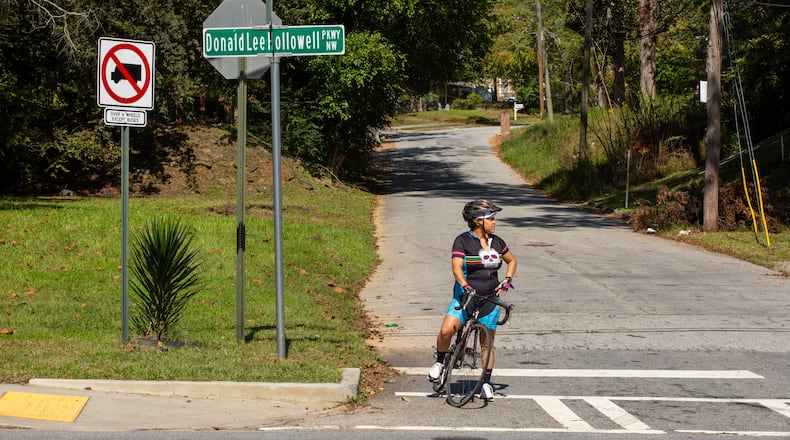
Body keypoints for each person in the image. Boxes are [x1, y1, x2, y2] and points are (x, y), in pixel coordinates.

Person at [428, 199, 517, 401]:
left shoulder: (498, 242)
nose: (494, 222)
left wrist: (507, 280)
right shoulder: (463, 241)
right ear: (478, 221)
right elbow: (457, 268)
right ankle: (440, 361)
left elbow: (512, 261)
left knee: (487, 344)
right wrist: (465, 285)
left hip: (489, 301)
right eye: (491, 218)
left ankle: (485, 383)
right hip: (465, 298)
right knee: (446, 330)